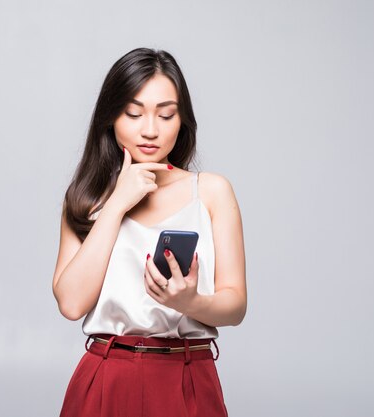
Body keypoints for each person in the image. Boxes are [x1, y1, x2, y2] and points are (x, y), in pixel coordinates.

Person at [52, 47, 247, 417]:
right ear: (111, 117)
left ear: (182, 119)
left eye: (166, 114)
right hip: (107, 378)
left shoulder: (211, 191)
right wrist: (117, 204)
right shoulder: (86, 199)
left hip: (187, 377)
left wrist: (190, 303)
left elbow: (235, 305)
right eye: (134, 113)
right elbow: (71, 303)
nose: (150, 130)